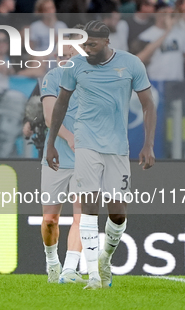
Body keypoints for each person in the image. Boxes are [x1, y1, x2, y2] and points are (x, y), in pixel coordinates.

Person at [46, 20, 156, 290]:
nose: (87, 49)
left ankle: (105, 258)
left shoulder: (131, 65)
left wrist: (148, 144)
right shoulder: (76, 66)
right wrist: (50, 143)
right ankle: (93, 275)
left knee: (118, 214)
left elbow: (148, 105)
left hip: (118, 147)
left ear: (107, 42)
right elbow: (60, 104)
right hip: (86, 143)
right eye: (83, 44)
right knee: (88, 208)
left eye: (92, 44)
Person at [39, 28, 83, 284]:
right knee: (50, 220)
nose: (63, 59)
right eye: (59, 55)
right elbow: (48, 117)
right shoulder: (52, 78)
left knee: (81, 216)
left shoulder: (93, 81)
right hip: (55, 159)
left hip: (85, 159)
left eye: (69, 54)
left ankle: (69, 269)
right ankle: (52, 261)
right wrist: (69, 137)